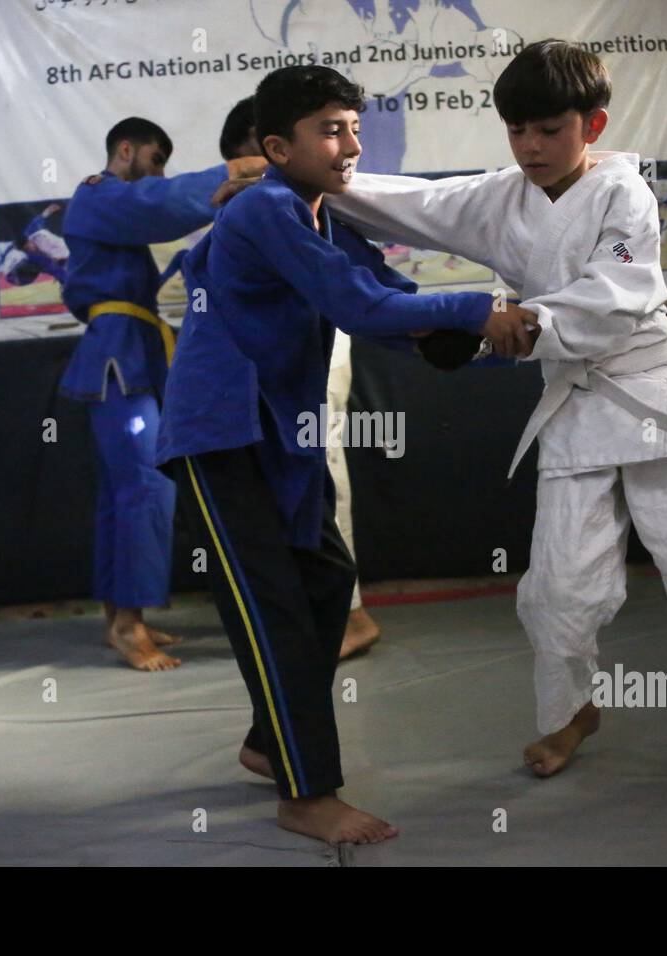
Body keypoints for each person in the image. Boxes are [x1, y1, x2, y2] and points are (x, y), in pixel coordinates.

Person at [329, 41, 667, 794]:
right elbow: (408, 202)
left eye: (548, 130)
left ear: (591, 125)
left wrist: (511, 319)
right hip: (573, 404)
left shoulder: (625, 194)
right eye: (516, 130)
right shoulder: (502, 196)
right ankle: (573, 711)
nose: (530, 147)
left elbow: (616, 295)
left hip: (648, 396)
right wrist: (307, 183)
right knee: (558, 588)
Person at [156, 65, 536, 844]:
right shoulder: (264, 208)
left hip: (280, 438)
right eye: (331, 129)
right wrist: (480, 307)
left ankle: (270, 742)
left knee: (328, 579)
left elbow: (396, 310)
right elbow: (360, 308)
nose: (351, 145)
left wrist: (526, 342)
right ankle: (306, 792)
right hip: (220, 433)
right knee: (273, 607)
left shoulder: (325, 219)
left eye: (354, 127)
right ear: (275, 146)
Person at [60, 116, 266, 671]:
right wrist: (240, 169)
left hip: (133, 347)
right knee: (144, 484)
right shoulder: (96, 194)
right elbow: (159, 203)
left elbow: (157, 204)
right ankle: (129, 625)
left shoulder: (109, 212)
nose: (157, 174)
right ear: (124, 150)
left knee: (123, 489)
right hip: (117, 356)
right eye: (152, 161)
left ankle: (119, 619)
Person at [218, 95, 381, 659]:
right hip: (272, 366)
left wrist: (462, 316)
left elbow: (368, 296)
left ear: (275, 147)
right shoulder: (261, 207)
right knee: (297, 469)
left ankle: (350, 611)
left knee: (321, 458)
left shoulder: (308, 199)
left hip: (316, 345)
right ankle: (322, 603)